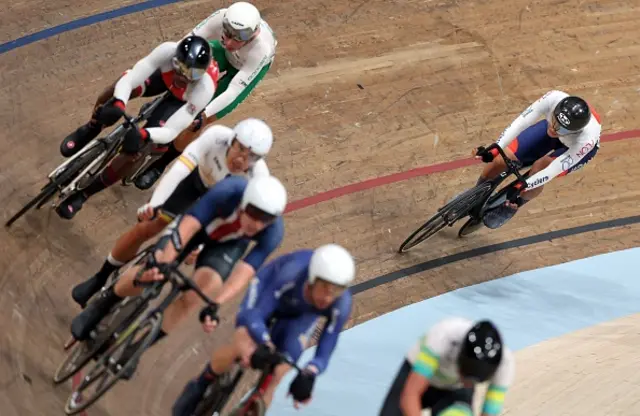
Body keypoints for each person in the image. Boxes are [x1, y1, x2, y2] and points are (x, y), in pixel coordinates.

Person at [69, 174, 287, 378]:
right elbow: (188, 226)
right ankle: (101, 306)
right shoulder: (228, 191)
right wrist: (165, 261)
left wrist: (215, 304)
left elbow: (245, 272)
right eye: (254, 214)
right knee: (152, 270)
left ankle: (137, 348)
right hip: (196, 227)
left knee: (201, 292)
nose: (257, 224)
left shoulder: (273, 232)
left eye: (265, 220)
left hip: (226, 247)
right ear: (243, 203)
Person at [69, 118, 273, 308]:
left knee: (180, 250)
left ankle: (130, 300)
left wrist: (200, 247)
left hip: (218, 209)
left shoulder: (257, 180)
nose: (242, 158)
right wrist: (155, 205)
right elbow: (179, 170)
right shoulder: (216, 136)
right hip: (192, 184)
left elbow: (232, 221)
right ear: (231, 140)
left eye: (252, 156)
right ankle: (100, 277)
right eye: (240, 149)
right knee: (147, 226)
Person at [172, 244, 356, 416]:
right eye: (325, 287)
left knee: (279, 373)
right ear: (312, 279)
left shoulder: (341, 304)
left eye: (337, 291)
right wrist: (265, 342)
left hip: (299, 318)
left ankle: (256, 404)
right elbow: (254, 315)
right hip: (267, 294)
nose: (328, 297)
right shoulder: (289, 275)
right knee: (243, 346)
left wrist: (310, 373)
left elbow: (325, 351)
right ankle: (203, 381)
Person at [56, 35, 219, 219]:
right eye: (179, 68)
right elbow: (131, 78)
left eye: (191, 74)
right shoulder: (167, 51)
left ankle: (84, 194)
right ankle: (90, 128)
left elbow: (172, 130)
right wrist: (119, 103)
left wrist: (144, 133)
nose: (183, 76)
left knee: (136, 153)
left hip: (180, 102)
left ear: (202, 74)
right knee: (113, 93)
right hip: (164, 80)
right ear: (174, 58)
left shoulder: (204, 89)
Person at [132, 1, 278, 190]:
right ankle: (163, 104)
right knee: (187, 65)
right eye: (228, 33)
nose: (232, 42)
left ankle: (159, 166)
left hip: (244, 70)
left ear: (253, 35)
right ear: (224, 23)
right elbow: (185, 43)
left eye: (239, 38)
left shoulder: (261, 50)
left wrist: (203, 113)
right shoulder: (220, 17)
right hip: (223, 54)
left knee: (196, 123)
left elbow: (233, 90)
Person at [472, 90, 602, 229]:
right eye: (554, 120)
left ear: (574, 131)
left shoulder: (586, 140)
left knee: (540, 167)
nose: (554, 129)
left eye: (561, 129)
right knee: (501, 160)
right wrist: (497, 147)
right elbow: (521, 122)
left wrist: (524, 185)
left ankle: (515, 203)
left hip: (574, 150)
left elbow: (552, 170)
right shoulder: (553, 98)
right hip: (557, 134)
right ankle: (475, 195)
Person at [379, 318, 515, 416]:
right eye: (466, 376)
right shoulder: (444, 334)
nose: (467, 382)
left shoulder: (505, 365)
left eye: (473, 382)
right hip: (419, 376)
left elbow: (489, 413)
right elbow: (410, 395)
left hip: (453, 391)